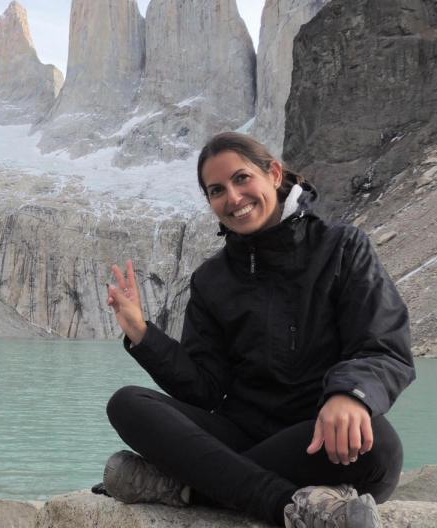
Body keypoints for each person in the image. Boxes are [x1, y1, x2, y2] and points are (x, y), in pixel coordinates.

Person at [100, 132, 414, 528]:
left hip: (317, 435)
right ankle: (289, 506)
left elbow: (384, 346)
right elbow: (204, 388)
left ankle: (189, 487)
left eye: (242, 178)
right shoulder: (212, 279)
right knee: (128, 403)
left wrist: (350, 396)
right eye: (217, 190)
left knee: (379, 448)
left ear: (275, 174)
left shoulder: (341, 247)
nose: (233, 197)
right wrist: (143, 334)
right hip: (243, 434)